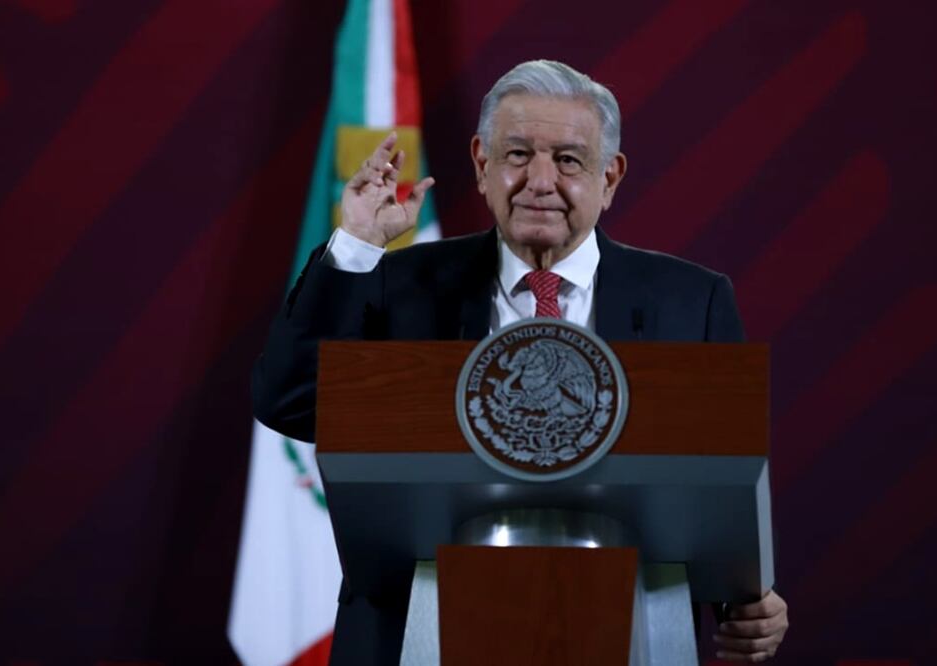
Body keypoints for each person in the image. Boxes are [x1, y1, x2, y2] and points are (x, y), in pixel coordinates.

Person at [253, 59, 788, 664]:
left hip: (630, 628)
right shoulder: (396, 285)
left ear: (609, 178)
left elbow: (723, 475)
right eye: (516, 155)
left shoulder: (693, 302)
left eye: (567, 159)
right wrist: (353, 247)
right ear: (481, 165)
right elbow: (290, 400)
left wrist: (743, 600)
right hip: (417, 631)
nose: (539, 181)